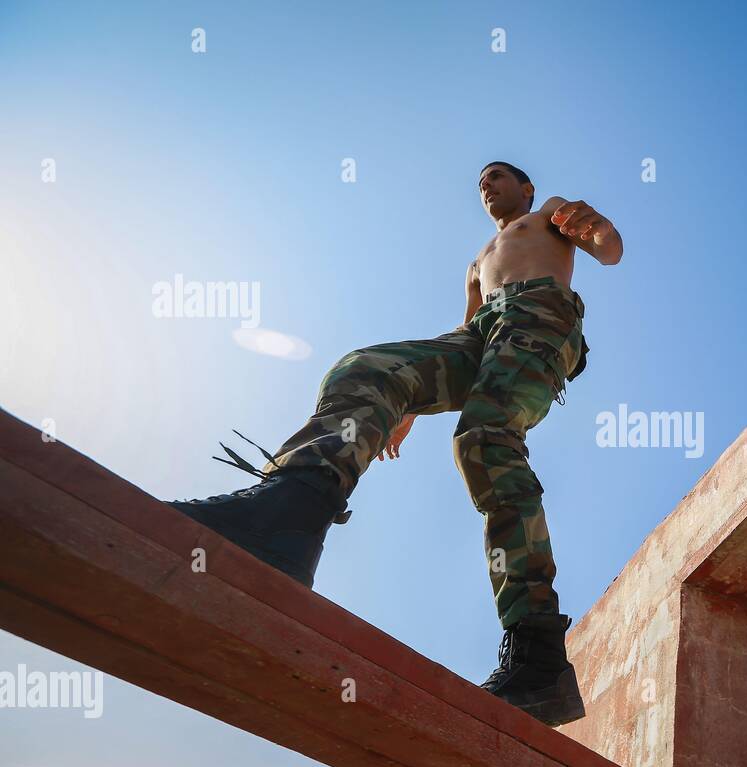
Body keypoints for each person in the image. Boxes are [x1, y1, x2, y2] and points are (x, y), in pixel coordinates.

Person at [168, 161, 623, 727]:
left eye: (499, 175)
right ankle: (288, 514)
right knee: (367, 368)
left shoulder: (546, 213)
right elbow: (464, 332)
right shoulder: (478, 262)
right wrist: (407, 395)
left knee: (484, 439)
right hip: (479, 336)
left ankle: (538, 658)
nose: (487, 183)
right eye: (480, 179)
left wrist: (596, 235)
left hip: (539, 316)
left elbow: (601, 239)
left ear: (526, 188)